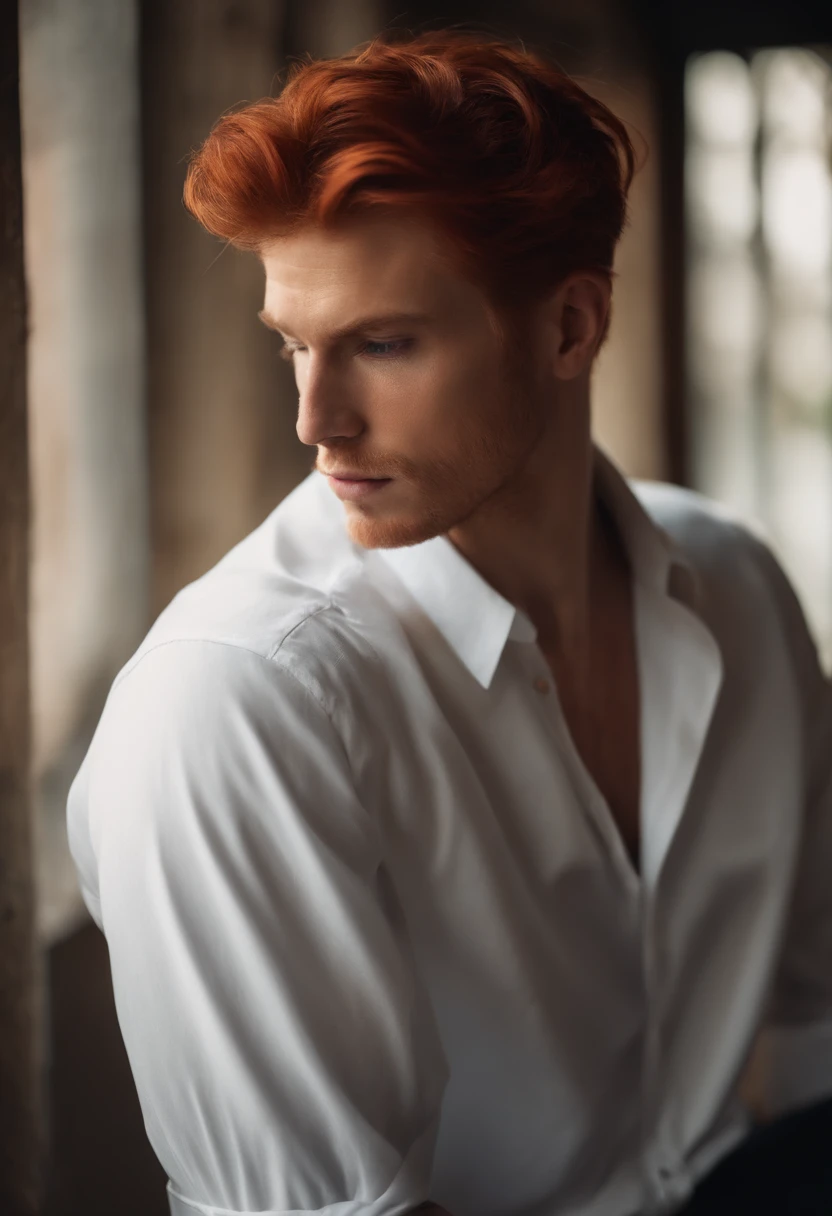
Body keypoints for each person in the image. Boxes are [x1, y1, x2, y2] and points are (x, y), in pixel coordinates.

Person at [66, 28, 832, 1216]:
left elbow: (810, 1031)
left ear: (571, 328)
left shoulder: (737, 588)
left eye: (382, 344)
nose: (317, 421)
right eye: (293, 348)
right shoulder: (227, 705)